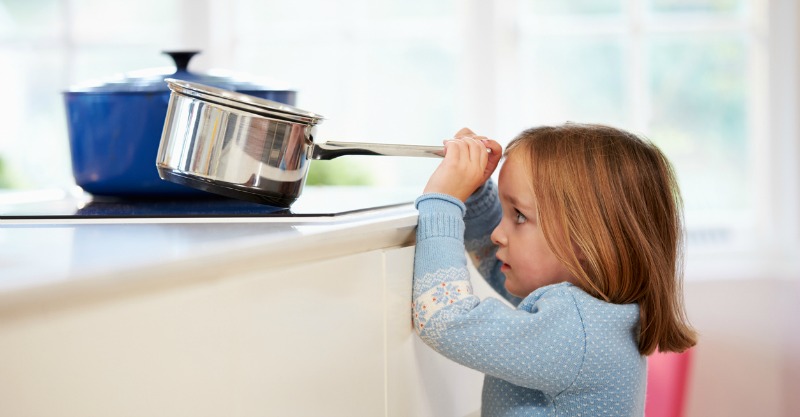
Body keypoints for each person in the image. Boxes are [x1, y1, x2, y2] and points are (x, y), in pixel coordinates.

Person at [412, 123, 697, 416]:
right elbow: (501, 262)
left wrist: (442, 201)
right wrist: (473, 193)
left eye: (519, 216)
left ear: (588, 242)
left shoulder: (576, 333)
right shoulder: (597, 316)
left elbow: (442, 317)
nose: (498, 233)